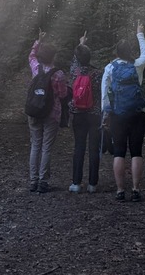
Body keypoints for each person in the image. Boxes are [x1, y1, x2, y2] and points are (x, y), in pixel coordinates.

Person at [101, 22, 145, 202]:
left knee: (119, 152)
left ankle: (120, 190)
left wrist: (105, 116)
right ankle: (136, 189)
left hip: (117, 114)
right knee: (137, 151)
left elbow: (105, 94)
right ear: (130, 52)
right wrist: (140, 33)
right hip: (138, 113)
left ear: (116, 52)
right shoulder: (137, 65)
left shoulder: (110, 68)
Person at [27, 31, 67, 194]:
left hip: (34, 111)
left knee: (35, 145)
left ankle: (33, 180)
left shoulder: (36, 68)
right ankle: (43, 181)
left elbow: (31, 55)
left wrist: (38, 41)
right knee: (46, 147)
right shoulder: (58, 74)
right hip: (51, 114)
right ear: (53, 57)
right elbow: (63, 94)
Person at [66, 31, 101, 194]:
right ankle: (93, 184)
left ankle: (76, 183)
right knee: (94, 148)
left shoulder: (74, 72)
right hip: (94, 114)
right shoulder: (97, 74)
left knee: (79, 147)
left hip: (78, 113)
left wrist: (81, 43)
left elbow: (75, 59)